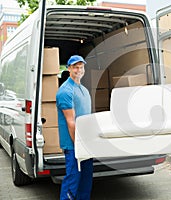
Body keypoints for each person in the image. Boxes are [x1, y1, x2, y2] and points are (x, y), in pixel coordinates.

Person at [56, 55, 93, 200]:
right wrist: (78, 145)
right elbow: (71, 122)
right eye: (75, 67)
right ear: (69, 68)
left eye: (81, 67)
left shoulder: (83, 89)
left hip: (85, 144)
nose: (79, 70)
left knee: (85, 181)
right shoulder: (66, 91)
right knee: (73, 181)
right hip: (74, 146)